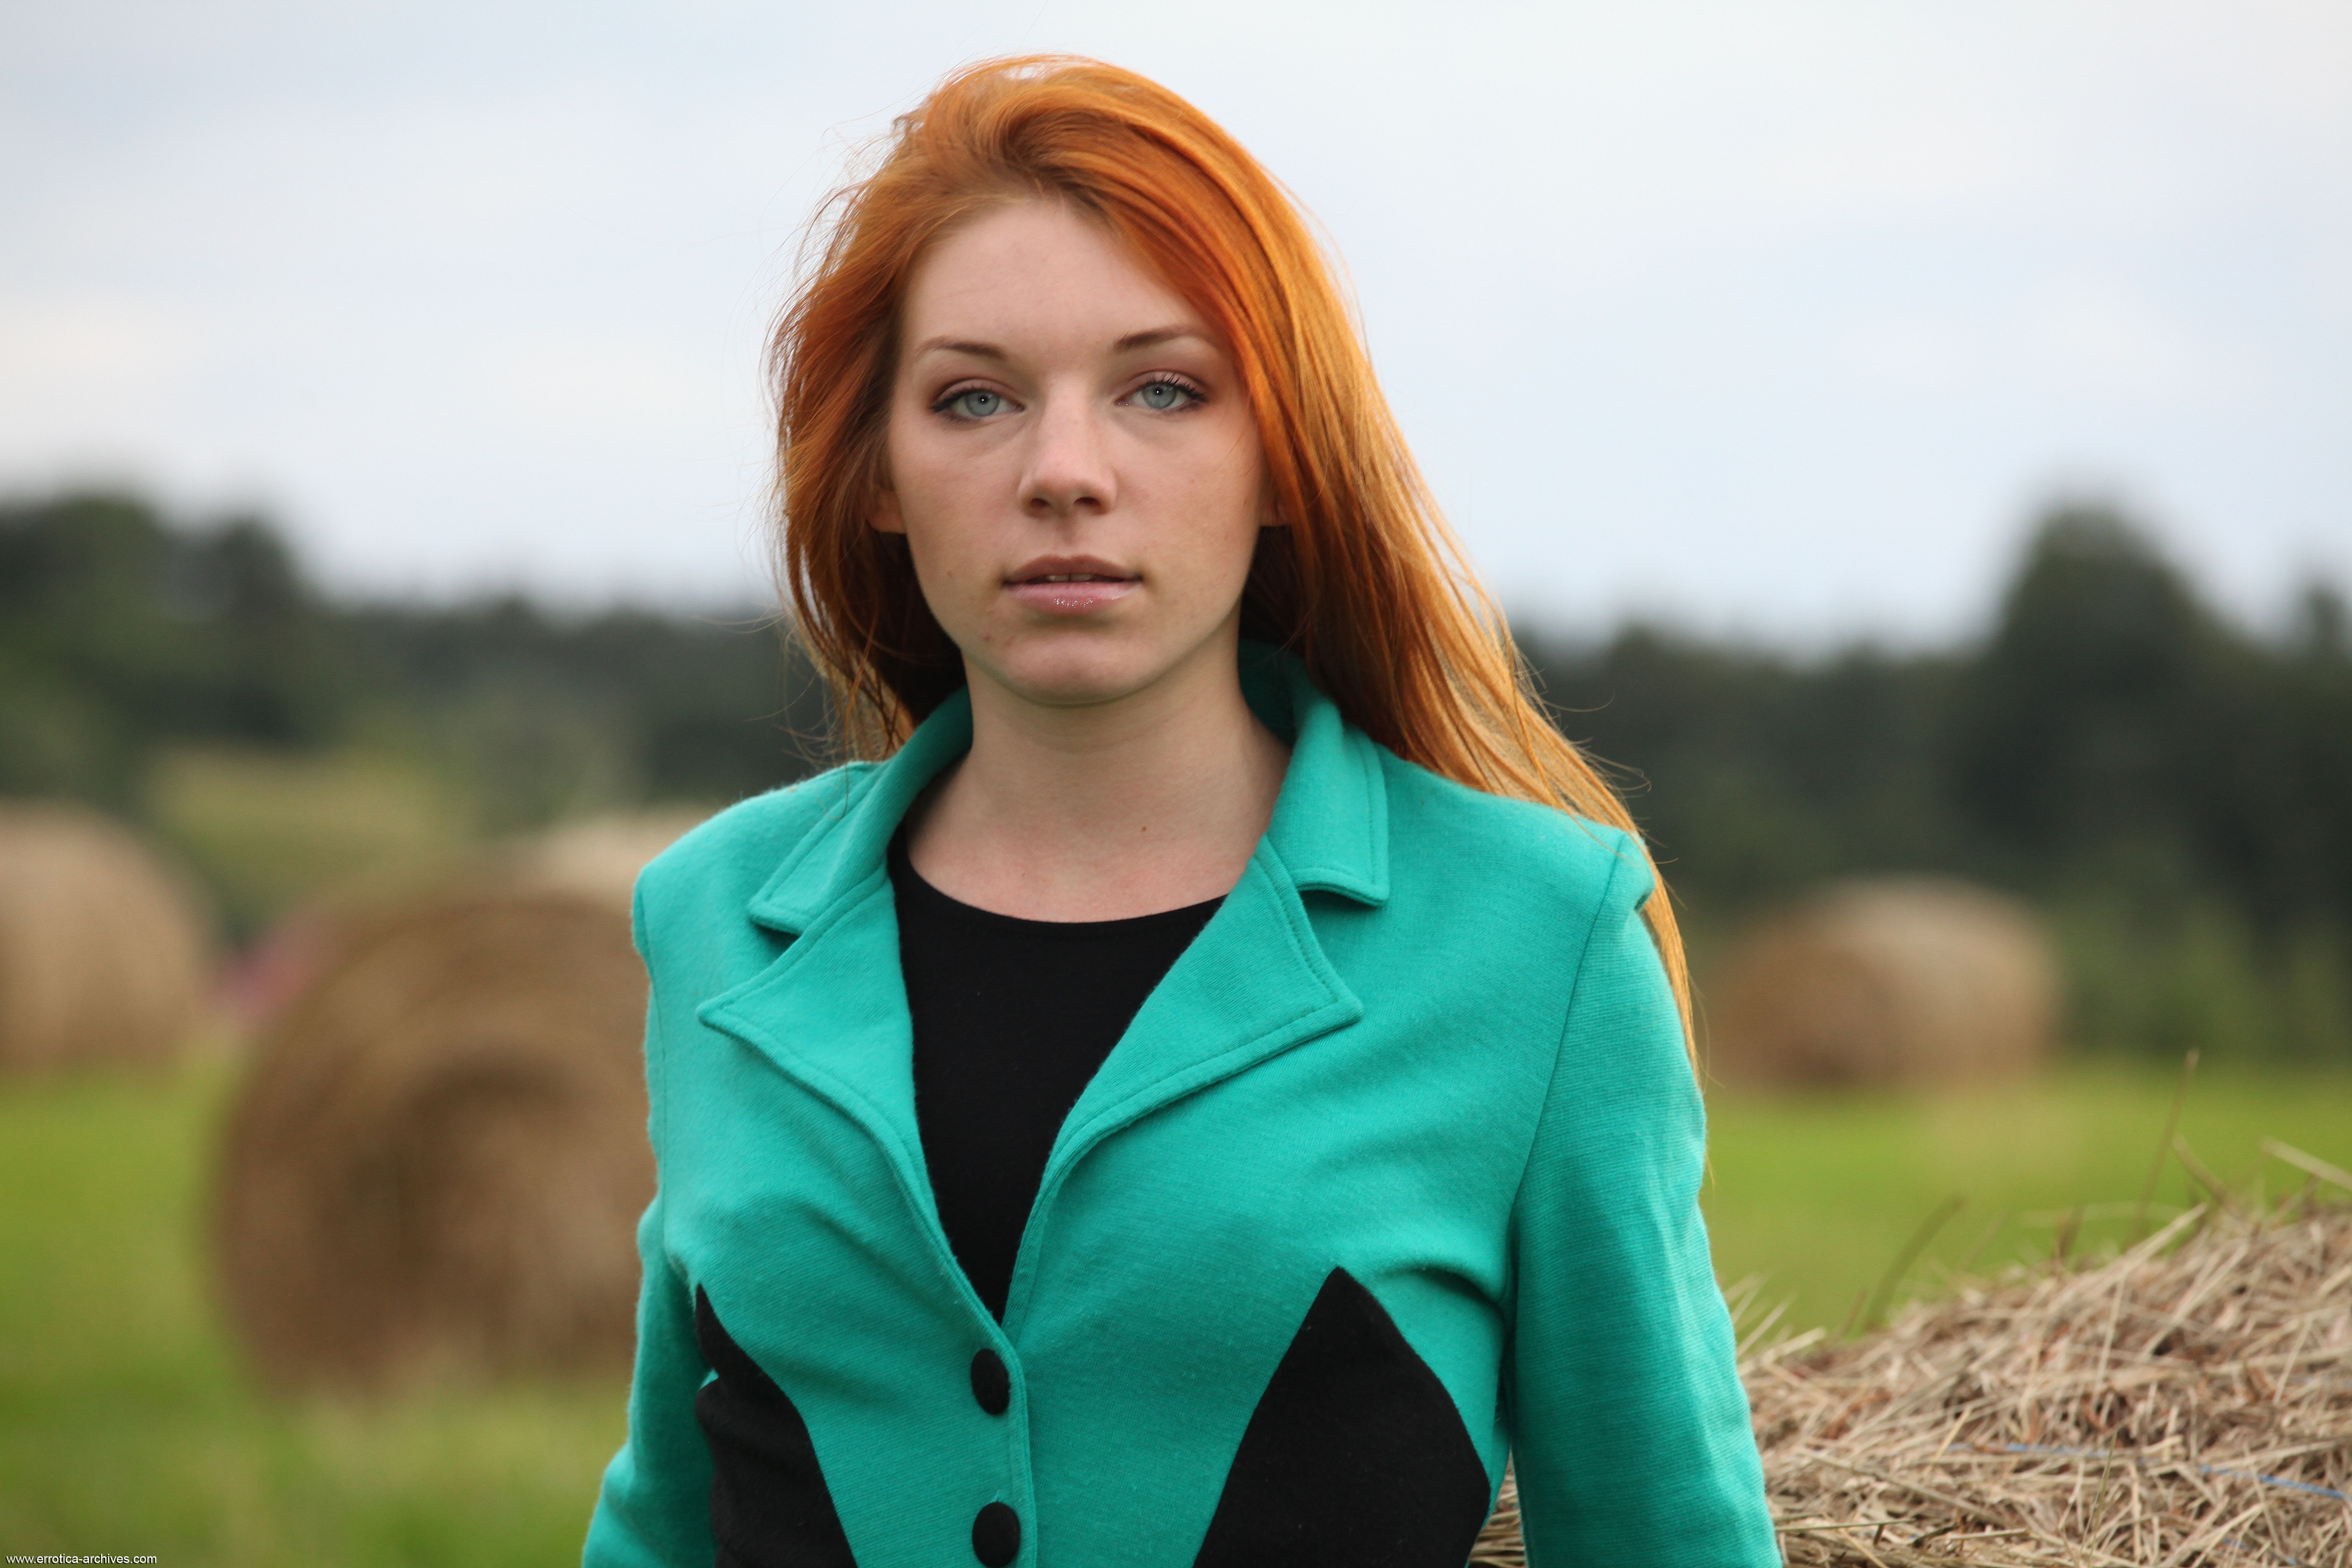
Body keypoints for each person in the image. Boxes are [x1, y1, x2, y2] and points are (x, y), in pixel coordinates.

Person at [583, 55, 1776, 1568]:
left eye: (1163, 389)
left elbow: (1665, 1537)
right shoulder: (709, 918)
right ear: (877, 469)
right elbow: (665, 1523)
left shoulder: (1539, 943)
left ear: (1282, 456)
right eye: (973, 398)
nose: (1063, 473)